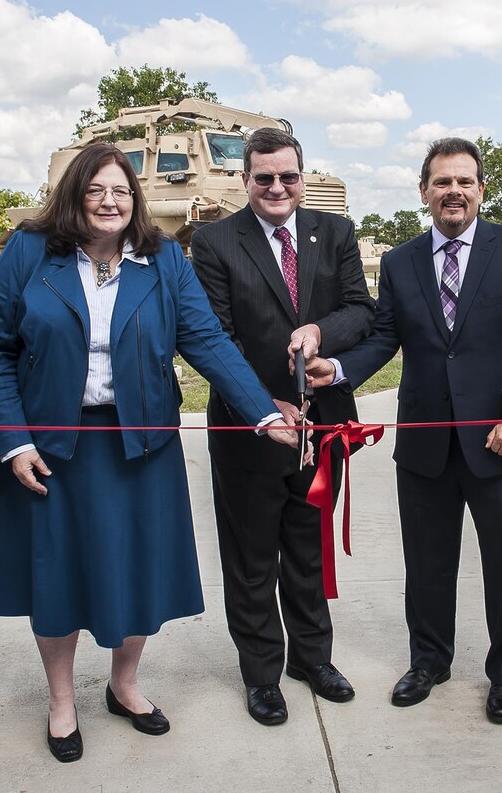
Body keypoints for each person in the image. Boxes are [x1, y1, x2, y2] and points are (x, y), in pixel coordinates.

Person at [0, 143, 297, 762]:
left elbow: (206, 340)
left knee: (141, 569)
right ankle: (62, 700)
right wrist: (12, 439)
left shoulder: (164, 260)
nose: (109, 201)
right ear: (74, 195)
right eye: (95, 189)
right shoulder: (28, 253)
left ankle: (125, 686)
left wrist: (260, 410)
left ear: (135, 199)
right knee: (58, 572)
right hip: (51, 450)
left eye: (120, 190)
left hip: (140, 446)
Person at [304, 137, 502, 723]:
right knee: (427, 563)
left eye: (464, 181)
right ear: (423, 192)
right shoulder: (400, 261)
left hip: (501, 442)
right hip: (425, 444)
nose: (454, 192)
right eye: (442, 182)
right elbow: (385, 337)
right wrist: (338, 369)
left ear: (481, 190)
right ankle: (429, 661)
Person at [190, 128, 375, 725]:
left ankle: (312, 659)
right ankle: (262, 673)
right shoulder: (215, 240)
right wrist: (264, 404)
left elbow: (360, 310)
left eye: (287, 176)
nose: (276, 187)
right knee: (251, 556)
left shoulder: (337, 232)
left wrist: (322, 333)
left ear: (303, 176)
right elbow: (214, 334)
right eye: (264, 177)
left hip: (323, 425)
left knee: (308, 547)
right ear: (245, 179)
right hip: (251, 428)